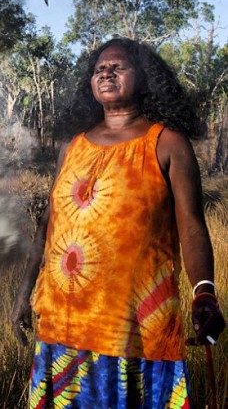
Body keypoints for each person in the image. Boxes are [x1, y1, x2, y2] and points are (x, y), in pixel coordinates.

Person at [12, 37, 225, 408]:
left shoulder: (167, 142)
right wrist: (25, 290)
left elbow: (191, 224)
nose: (106, 73)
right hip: (64, 323)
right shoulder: (72, 145)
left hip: (136, 326)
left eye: (117, 67)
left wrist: (204, 291)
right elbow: (49, 221)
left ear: (143, 79)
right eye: (99, 70)